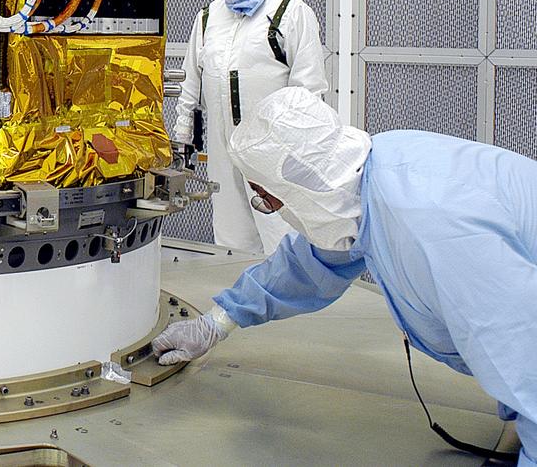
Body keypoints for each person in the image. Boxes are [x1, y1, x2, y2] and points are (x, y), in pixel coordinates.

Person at [151, 86, 535, 466]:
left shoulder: (427, 226)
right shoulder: (372, 177)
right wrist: (217, 322)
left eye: (265, 197)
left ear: (298, 188)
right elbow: (307, 264)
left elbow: (524, 354)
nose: (270, 208)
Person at [172, 0, 327, 253]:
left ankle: (287, 282)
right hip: (223, 145)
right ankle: (239, 282)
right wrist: (182, 133)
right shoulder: (209, 17)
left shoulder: (288, 12)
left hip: (272, 147)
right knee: (231, 232)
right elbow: (190, 79)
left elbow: (309, 86)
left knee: (280, 229)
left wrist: (304, 146)